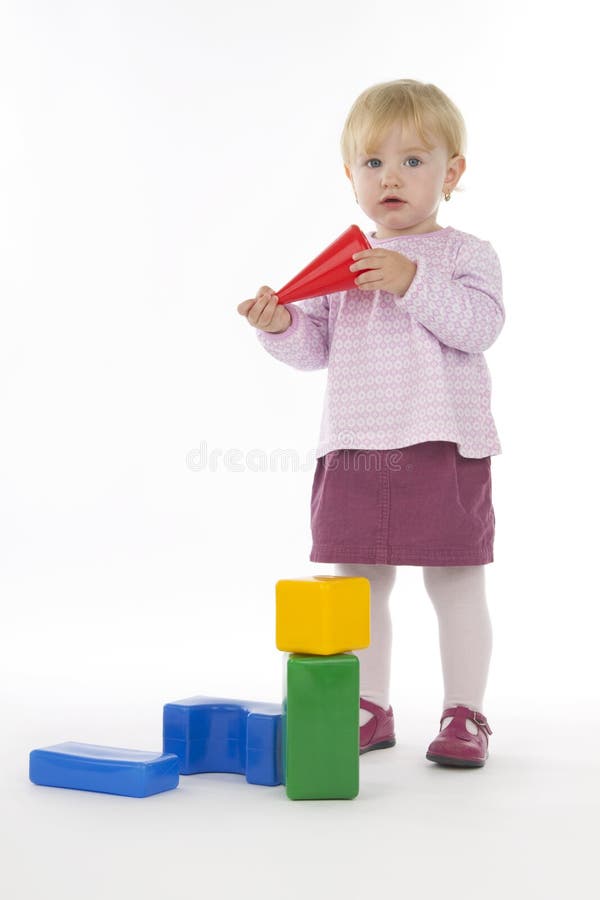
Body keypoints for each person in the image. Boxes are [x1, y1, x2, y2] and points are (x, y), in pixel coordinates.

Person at [237, 78, 504, 768]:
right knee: (357, 583)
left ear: (453, 172)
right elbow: (313, 351)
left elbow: (479, 329)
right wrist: (282, 324)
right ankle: (370, 705)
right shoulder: (344, 260)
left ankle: (464, 713)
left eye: (414, 161)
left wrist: (411, 279)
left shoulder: (466, 255)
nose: (392, 177)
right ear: (350, 175)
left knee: (455, 580)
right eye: (374, 162)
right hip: (355, 444)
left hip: (442, 443)